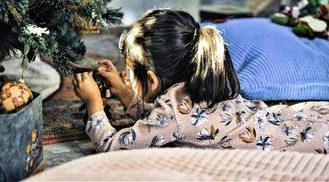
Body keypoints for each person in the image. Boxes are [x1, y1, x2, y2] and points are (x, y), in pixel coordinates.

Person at [73, 9, 329, 153]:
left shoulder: (173, 114)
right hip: (295, 120)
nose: (124, 76)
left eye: (128, 72)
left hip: (310, 141)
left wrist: (95, 105)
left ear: (151, 80)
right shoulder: (198, 83)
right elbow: (159, 119)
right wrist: (122, 91)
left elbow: (113, 146)